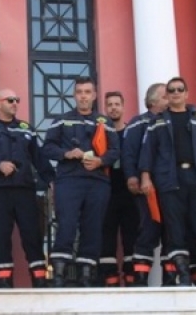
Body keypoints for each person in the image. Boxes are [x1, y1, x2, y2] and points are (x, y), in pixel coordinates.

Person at [139, 76, 196, 286]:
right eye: (172, 90)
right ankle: (183, 277)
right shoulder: (157, 122)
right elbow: (147, 154)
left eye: (180, 89)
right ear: (167, 96)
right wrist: (145, 178)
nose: (176, 93)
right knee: (175, 230)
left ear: (187, 93)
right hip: (170, 181)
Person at [42, 77, 119, 287]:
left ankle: (86, 276)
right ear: (74, 95)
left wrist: (100, 161)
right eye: (79, 92)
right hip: (69, 180)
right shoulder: (61, 120)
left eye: (87, 92)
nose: (83, 96)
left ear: (94, 96)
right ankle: (59, 276)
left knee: (93, 227)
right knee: (66, 225)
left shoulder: (105, 122)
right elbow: (47, 147)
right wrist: (67, 153)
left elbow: (115, 151)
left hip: (97, 181)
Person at [0, 88, 54, 288]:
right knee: (0, 236)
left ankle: (40, 280)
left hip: (24, 190)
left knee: (32, 235)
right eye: (10, 100)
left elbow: (40, 158)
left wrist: (51, 181)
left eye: (17, 100)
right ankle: (3, 282)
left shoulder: (26, 128)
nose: (15, 103)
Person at [122, 83, 168, 286]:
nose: (170, 99)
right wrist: (132, 177)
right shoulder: (137, 123)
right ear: (152, 101)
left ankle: (171, 280)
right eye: (165, 96)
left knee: (172, 232)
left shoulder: (170, 122)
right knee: (148, 229)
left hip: (170, 187)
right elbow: (129, 152)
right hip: (147, 188)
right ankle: (140, 281)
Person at [99, 91, 140, 287]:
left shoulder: (132, 133)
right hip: (106, 191)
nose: (113, 107)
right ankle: (110, 281)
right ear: (105, 109)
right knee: (106, 237)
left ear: (123, 107)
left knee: (131, 237)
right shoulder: (100, 134)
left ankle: (132, 281)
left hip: (130, 192)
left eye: (117, 104)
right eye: (110, 105)